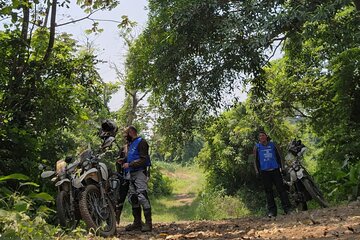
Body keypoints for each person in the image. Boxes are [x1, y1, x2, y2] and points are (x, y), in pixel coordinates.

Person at [253, 130, 292, 217]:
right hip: (264, 172)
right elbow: (255, 161)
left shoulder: (273, 144)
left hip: (275, 170)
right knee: (268, 192)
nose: (261, 137)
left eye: (263, 135)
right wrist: (257, 171)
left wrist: (283, 167)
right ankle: (272, 211)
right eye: (260, 136)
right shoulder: (257, 147)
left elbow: (280, 156)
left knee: (281, 190)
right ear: (258, 138)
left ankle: (287, 208)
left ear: (266, 136)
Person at [122, 125, 152, 232]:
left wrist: (130, 164)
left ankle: (148, 224)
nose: (126, 136)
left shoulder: (141, 142)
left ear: (131, 132)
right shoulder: (130, 145)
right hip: (131, 173)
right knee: (133, 198)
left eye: (126, 134)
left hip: (140, 172)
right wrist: (123, 161)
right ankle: (137, 223)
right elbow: (130, 157)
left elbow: (144, 159)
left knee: (142, 196)